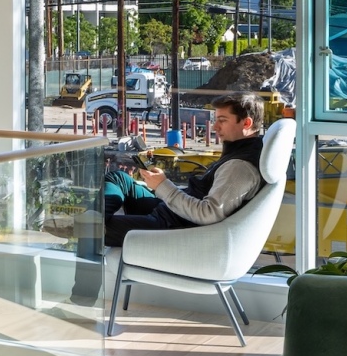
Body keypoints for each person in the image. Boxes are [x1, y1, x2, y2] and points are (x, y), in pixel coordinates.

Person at [103, 93, 269, 249]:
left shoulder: (239, 167)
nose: (215, 126)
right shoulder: (240, 151)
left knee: (95, 230)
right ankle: (94, 219)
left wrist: (163, 186)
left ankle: (92, 223)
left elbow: (208, 213)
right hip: (172, 212)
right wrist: (162, 185)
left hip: (172, 227)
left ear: (246, 123)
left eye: (222, 120)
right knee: (119, 178)